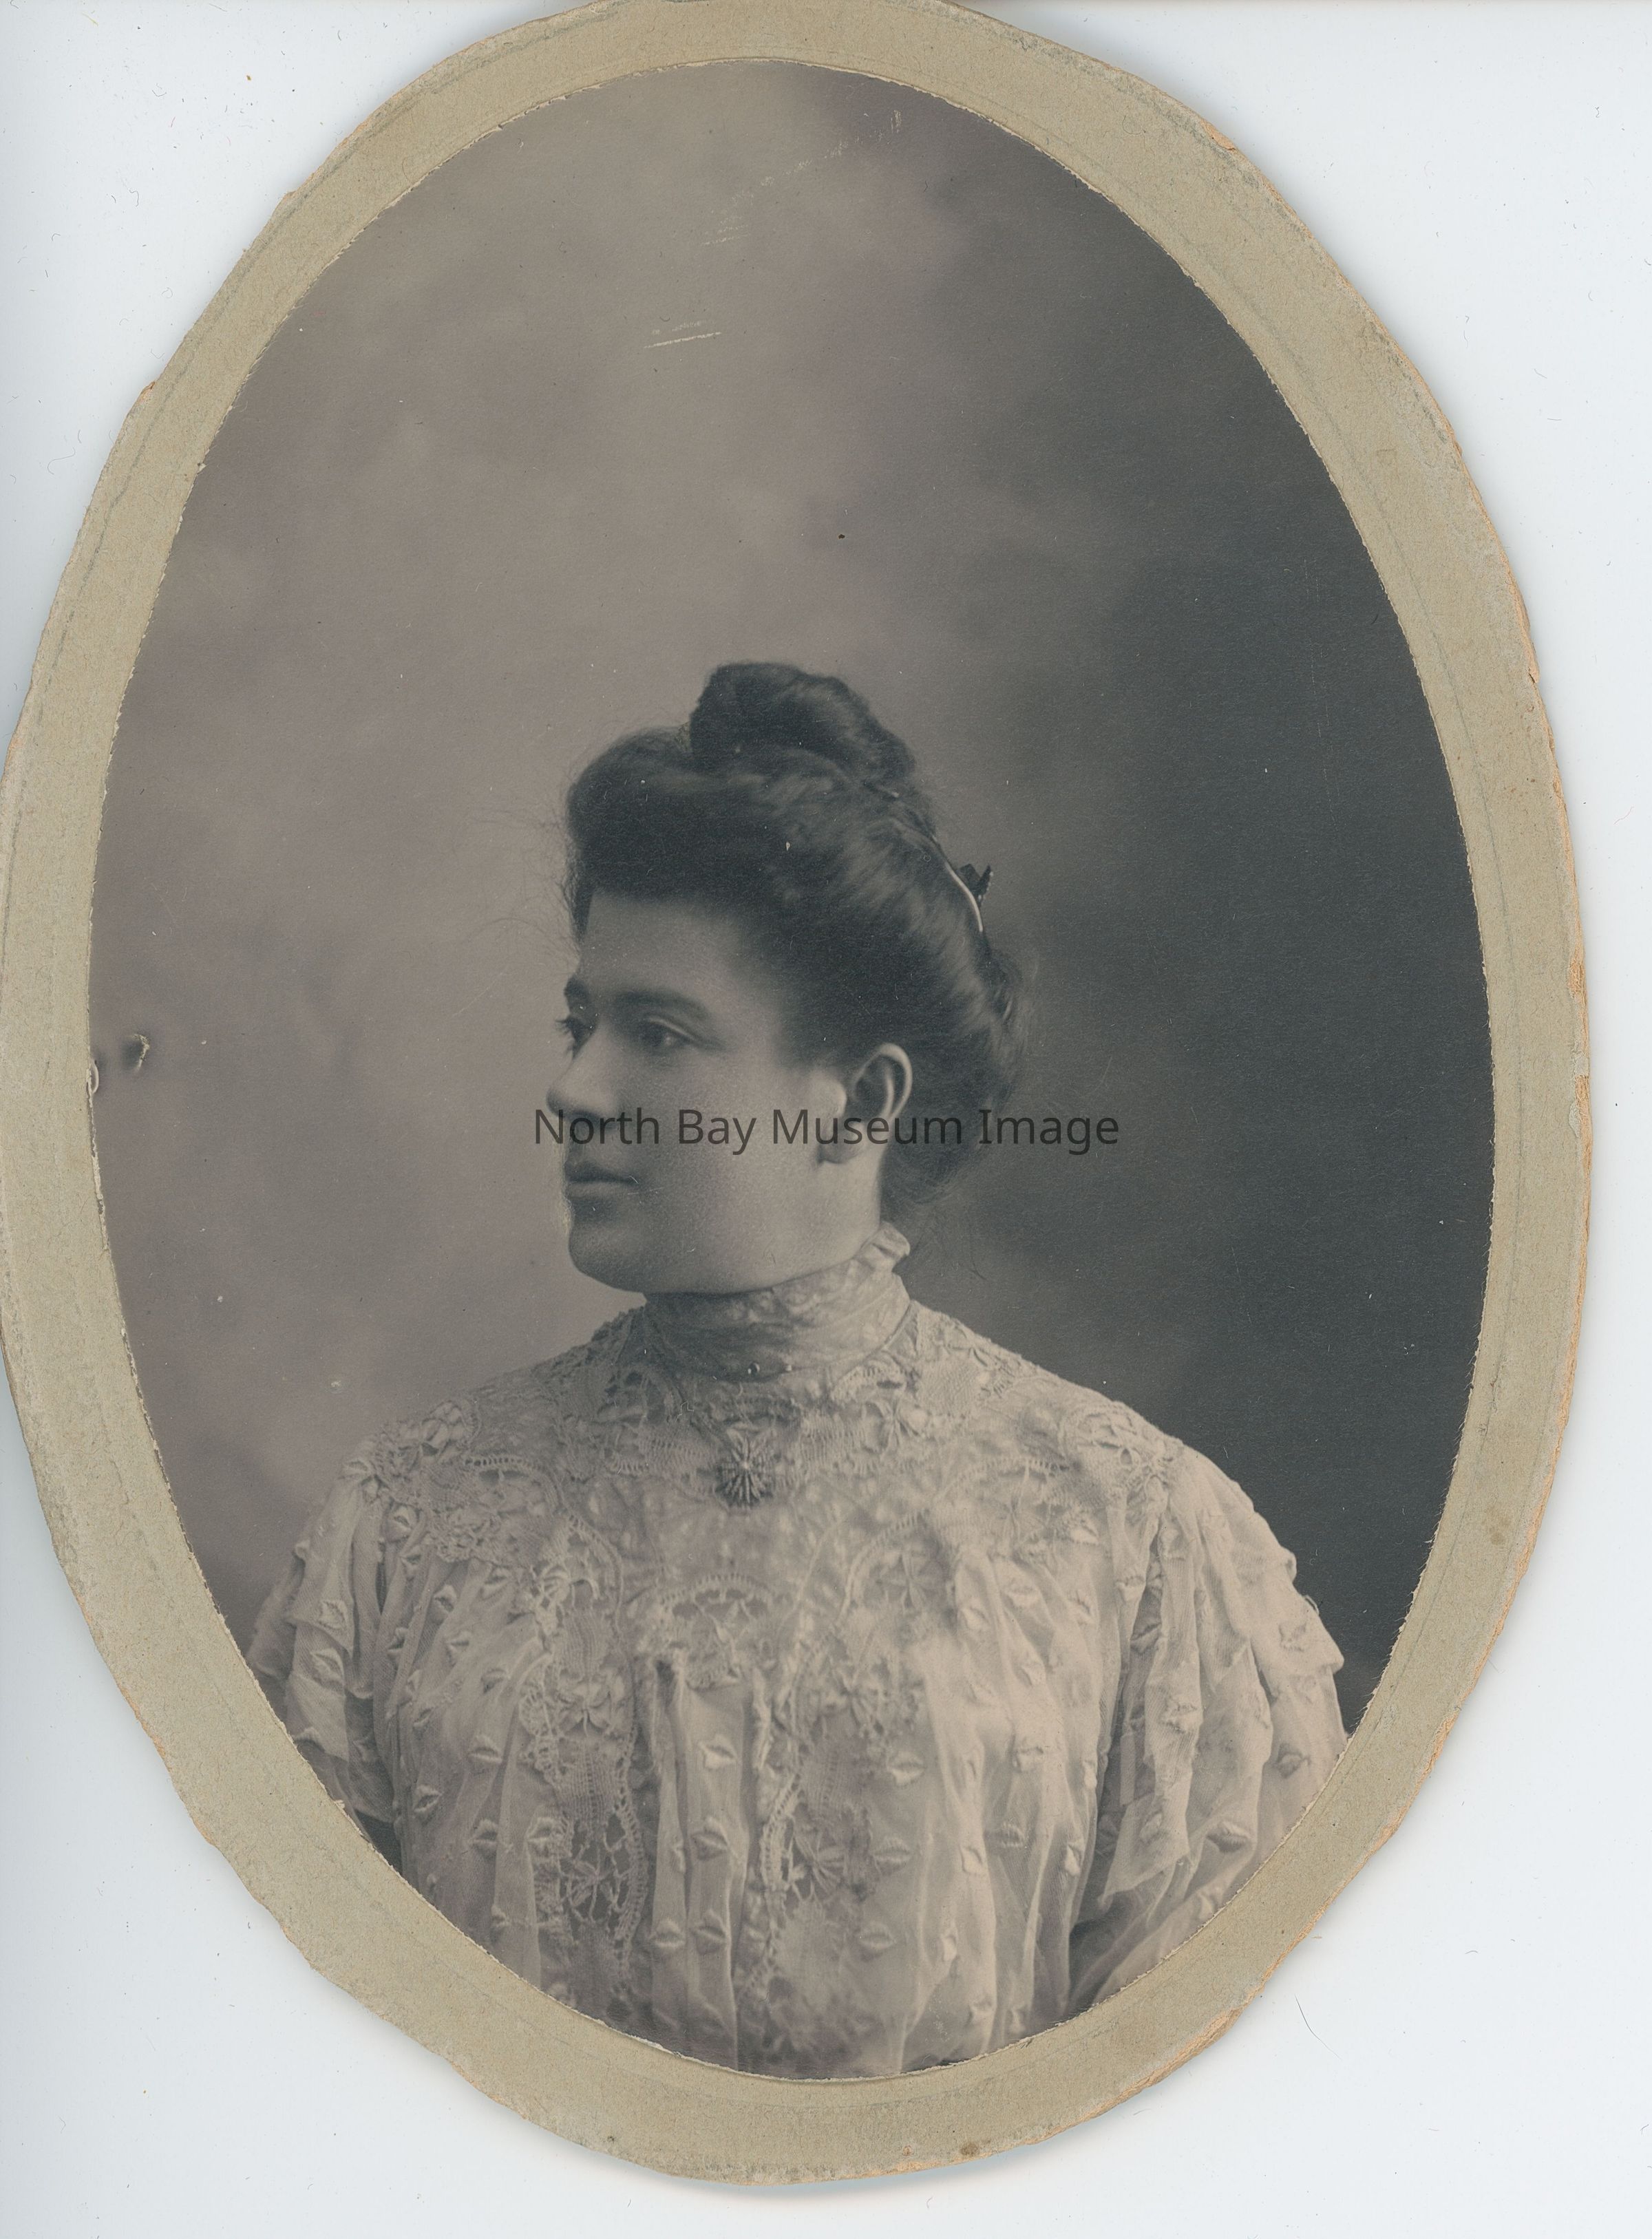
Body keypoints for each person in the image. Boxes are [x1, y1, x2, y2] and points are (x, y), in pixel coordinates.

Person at [250, 662, 1346, 2079]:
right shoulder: (406, 1526)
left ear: (859, 1103)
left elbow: (1218, 2101)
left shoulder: (1138, 1539)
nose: (576, 1090)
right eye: (582, 1026)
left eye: (659, 1034)